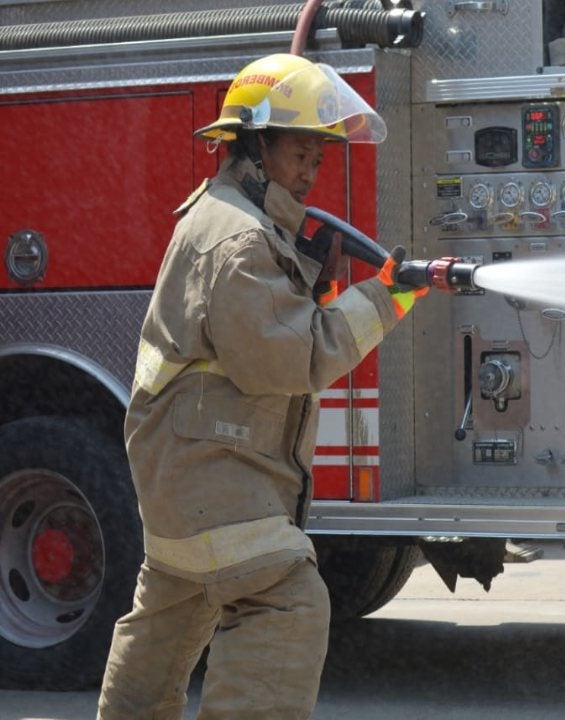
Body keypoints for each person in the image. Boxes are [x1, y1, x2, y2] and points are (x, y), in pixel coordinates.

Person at [97, 53, 426, 720]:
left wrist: (313, 285)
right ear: (255, 146)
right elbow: (291, 360)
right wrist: (388, 295)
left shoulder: (223, 217)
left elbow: (245, 337)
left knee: (174, 609)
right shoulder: (242, 242)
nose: (310, 172)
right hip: (215, 471)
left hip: (180, 473)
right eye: (300, 154)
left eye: (319, 158)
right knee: (286, 599)